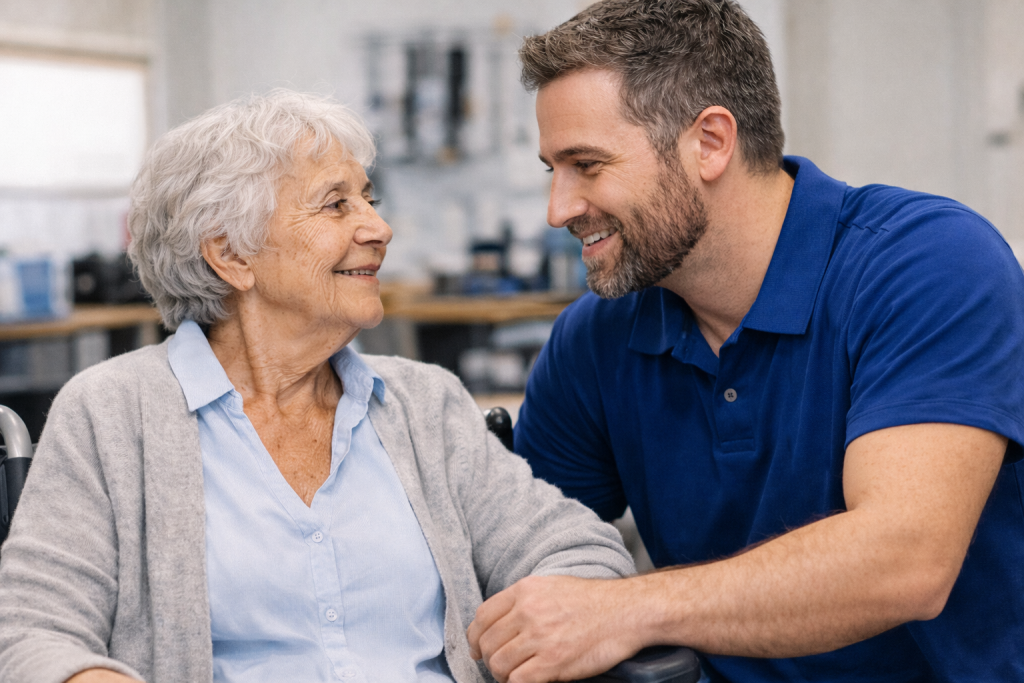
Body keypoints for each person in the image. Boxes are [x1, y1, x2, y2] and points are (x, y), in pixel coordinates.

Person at [466, 1, 1024, 682]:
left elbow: (905, 560)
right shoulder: (597, 338)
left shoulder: (928, 264)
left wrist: (626, 608)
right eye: (552, 169)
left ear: (710, 141)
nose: (559, 208)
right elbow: (519, 548)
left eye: (587, 164)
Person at [0, 90, 635, 683]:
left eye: (369, 200)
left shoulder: (424, 404)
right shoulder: (112, 414)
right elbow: (29, 631)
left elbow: (578, 548)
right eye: (336, 204)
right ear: (232, 255)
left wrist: (540, 624)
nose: (378, 230)